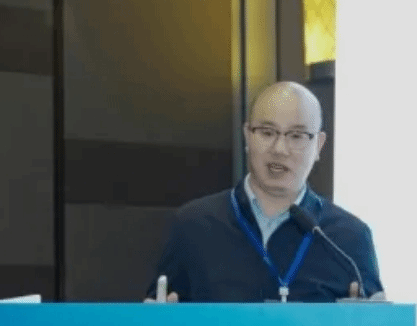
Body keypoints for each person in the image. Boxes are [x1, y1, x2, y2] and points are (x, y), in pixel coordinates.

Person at [145, 81, 384, 303]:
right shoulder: (193, 225)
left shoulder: (348, 239)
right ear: (247, 135)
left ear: (318, 145)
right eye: (267, 133)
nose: (280, 149)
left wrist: (365, 323)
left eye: (297, 136)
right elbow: (157, 320)